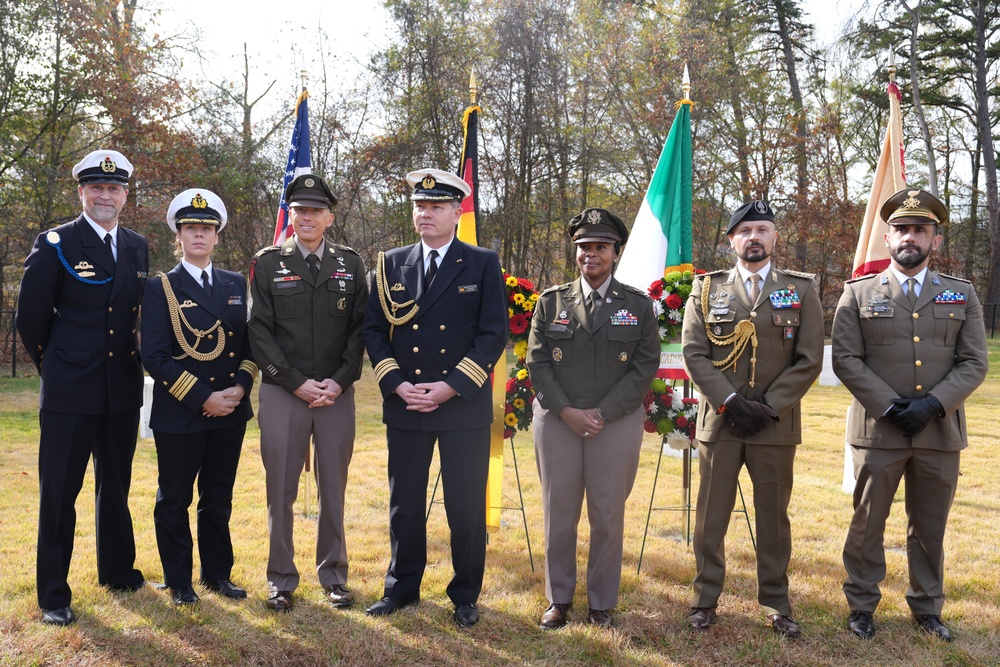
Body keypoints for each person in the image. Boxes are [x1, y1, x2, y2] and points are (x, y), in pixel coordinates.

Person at [832, 189, 987, 642]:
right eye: (901, 229)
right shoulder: (858, 293)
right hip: (879, 431)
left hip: (939, 430)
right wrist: (889, 406)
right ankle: (861, 606)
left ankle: (927, 607)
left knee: (930, 525)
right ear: (887, 237)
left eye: (920, 230)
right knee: (868, 523)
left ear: (935, 240)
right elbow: (846, 358)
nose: (910, 238)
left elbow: (975, 361)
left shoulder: (962, 295)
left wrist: (933, 404)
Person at [362, 168, 508, 627]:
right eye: (419, 206)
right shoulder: (390, 262)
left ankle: (465, 593)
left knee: (464, 503)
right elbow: (374, 331)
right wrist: (396, 384)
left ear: (456, 212)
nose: (425, 213)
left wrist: (449, 387)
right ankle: (402, 588)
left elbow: (492, 335)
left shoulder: (481, 262)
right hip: (406, 400)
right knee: (404, 502)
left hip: (461, 403)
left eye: (436, 206)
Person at [16, 149, 148, 626]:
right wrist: (55, 367)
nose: (105, 195)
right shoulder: (55, 242)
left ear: (125, 196)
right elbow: (29, 318)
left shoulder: (136, 245)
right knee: (59, 495)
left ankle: (117, 572)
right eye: (96, 187)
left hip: (120, 389)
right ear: (82, 192)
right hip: (71, 390)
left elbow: (133, 317)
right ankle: (53, 594)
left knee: (115, 488)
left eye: (114, 189)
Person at [681, 200, 823, 638]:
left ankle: (777, 603)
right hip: (721, 423)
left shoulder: (800, 289)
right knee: (710, 516)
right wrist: (730, 402)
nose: (754, 237)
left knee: (772, 518)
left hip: (774, 425)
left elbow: (809, 358)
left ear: (775, 237)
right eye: (745, 231)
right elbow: (693, 353)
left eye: (762, 229)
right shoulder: (706, 289)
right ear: (731, 240)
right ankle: (705, 599)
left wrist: (767, 407)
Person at [525, 208, 659, 629]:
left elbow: (644, 367)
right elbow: (537, 361)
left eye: (600, 247)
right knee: (558, 510)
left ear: (615, 252)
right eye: (584, 247)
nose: (590, 255)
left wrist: (600, 414)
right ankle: (558, 598)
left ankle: (601, 601)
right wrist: (566, 410)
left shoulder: (637, 305)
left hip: (613, 423)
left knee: (607, 512)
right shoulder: (551, 302)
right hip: (558, 420)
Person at [247, 174, 368, 613]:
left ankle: (334, 576)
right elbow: (258, 330)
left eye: (316, 210)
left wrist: (341, 378)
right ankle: (281, 578)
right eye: (300, 210)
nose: (307, 218)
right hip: (284, 390)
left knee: (332, 487)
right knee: (281, 488)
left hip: (336, 392)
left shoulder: (351, 264)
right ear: (290, 215)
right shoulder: (267, 263)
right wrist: (294, 380)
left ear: (330, 217)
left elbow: (360, 330)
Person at [141, 189, 257, 605]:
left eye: (207, 229)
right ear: (179, 236)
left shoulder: (234, 283)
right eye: (191, 229)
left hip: (230, 409)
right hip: (182, 411)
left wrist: (240, 387)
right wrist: (204, 396)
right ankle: (179, 581)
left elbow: (248, 347)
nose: (200, 236)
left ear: (217, 236)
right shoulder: (161, 287)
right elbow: (154, 355)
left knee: (218, 496)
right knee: (174, 499)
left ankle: (217, 575)